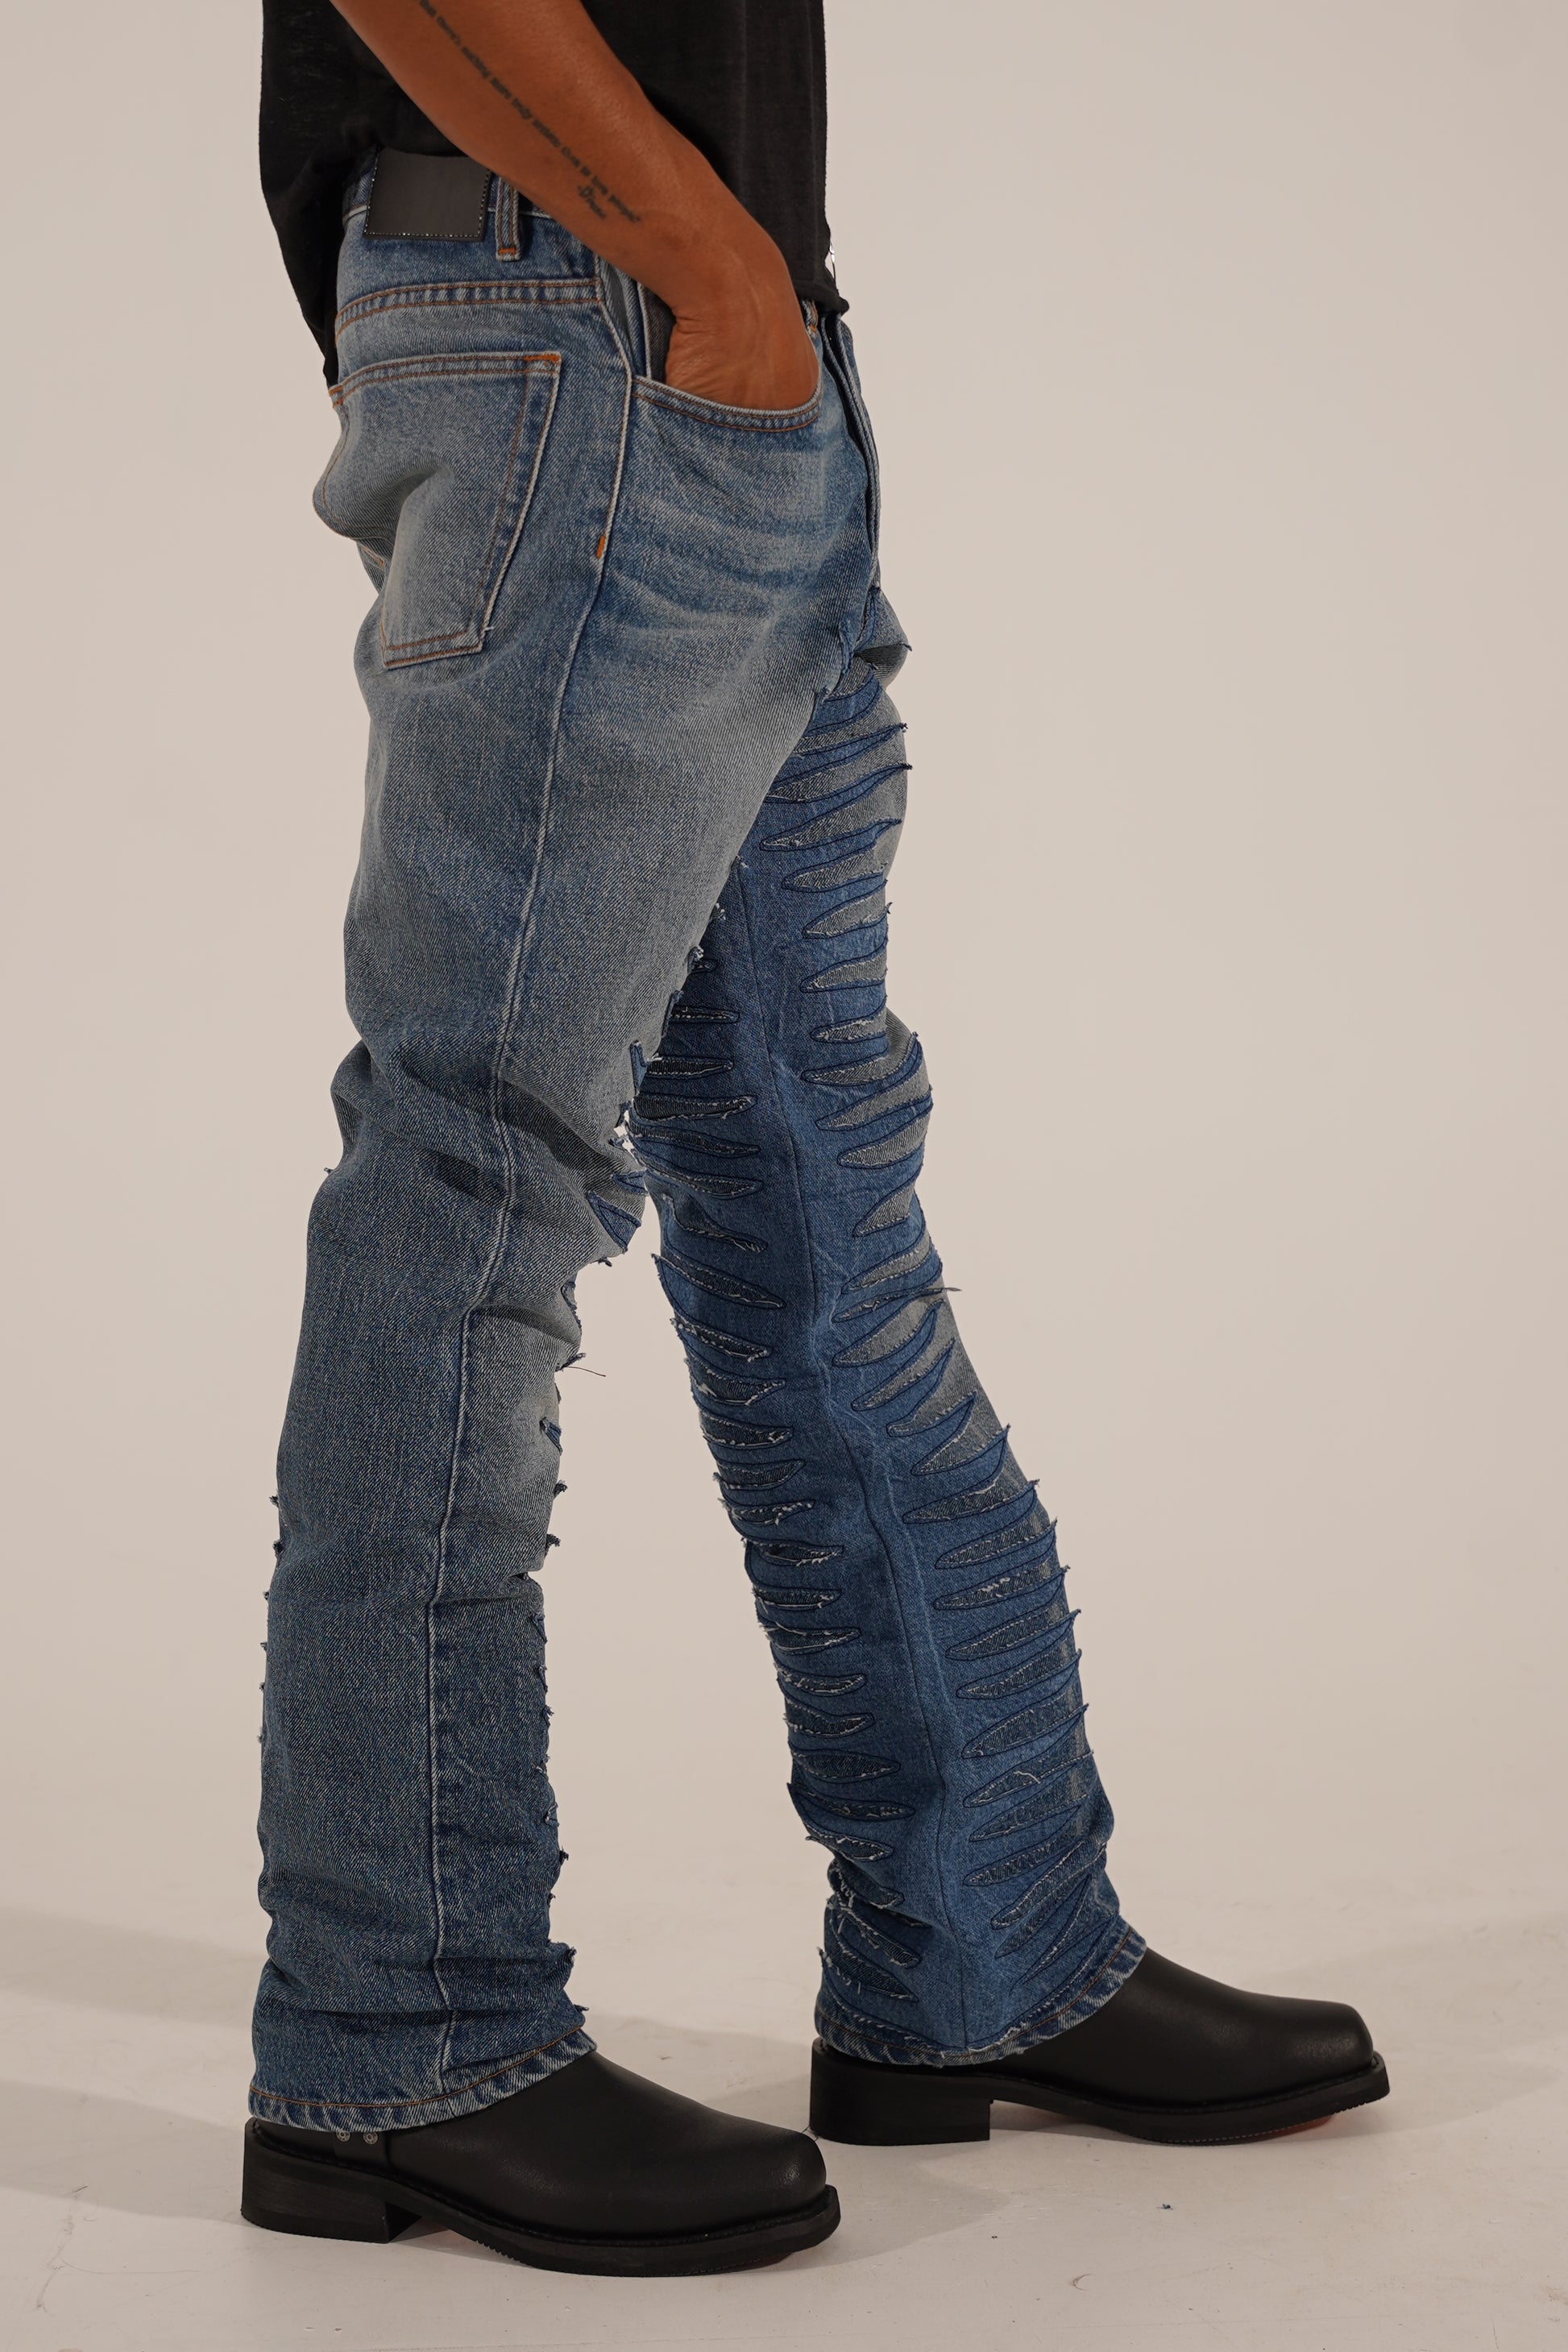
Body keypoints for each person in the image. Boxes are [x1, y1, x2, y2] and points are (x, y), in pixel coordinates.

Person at [241, 0, 1388, 2279]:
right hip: (612, 319)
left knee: (809, 1176)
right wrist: (700, 269)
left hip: (696, 339)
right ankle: (402, 2033)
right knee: (472, 1181)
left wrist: (743, 305)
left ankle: (986, 1940)